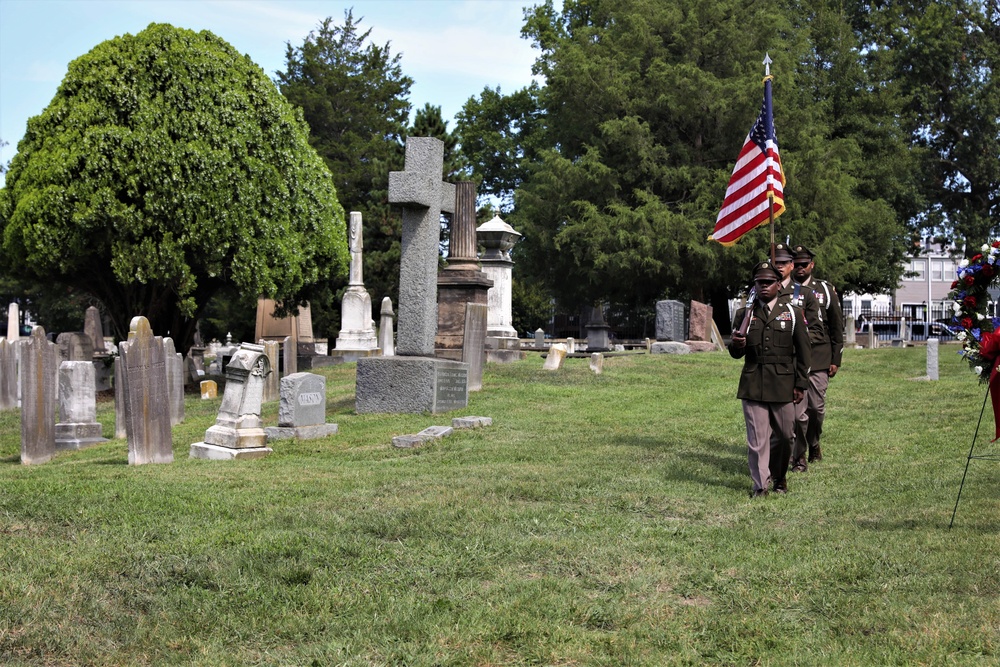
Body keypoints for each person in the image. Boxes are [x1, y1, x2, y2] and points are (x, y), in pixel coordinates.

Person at [729, 261, 812, 497]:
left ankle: (779, 476)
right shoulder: (744, 314)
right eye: (759, 283)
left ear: (778, 284)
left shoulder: (793, 313)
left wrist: (800, 384)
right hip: (753, 383)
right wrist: (737, 345)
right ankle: (760, 485)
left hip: (784, 384)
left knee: (786, 436)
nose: (764, 286)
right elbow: (736, 354)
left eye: (768, 282)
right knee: (757, 440)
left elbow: (804, 353)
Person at [789, 244, 844, 469]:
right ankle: (800, 452)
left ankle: (814, 442)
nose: (800, 268)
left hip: (819, 355)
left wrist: (836, 359)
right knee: (798, 410)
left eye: (804, 264)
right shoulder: (784, 288)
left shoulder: (824, 289)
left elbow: (836, 325)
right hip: (793, 356)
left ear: (811, 265)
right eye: (797, 264)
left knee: (816, 408)